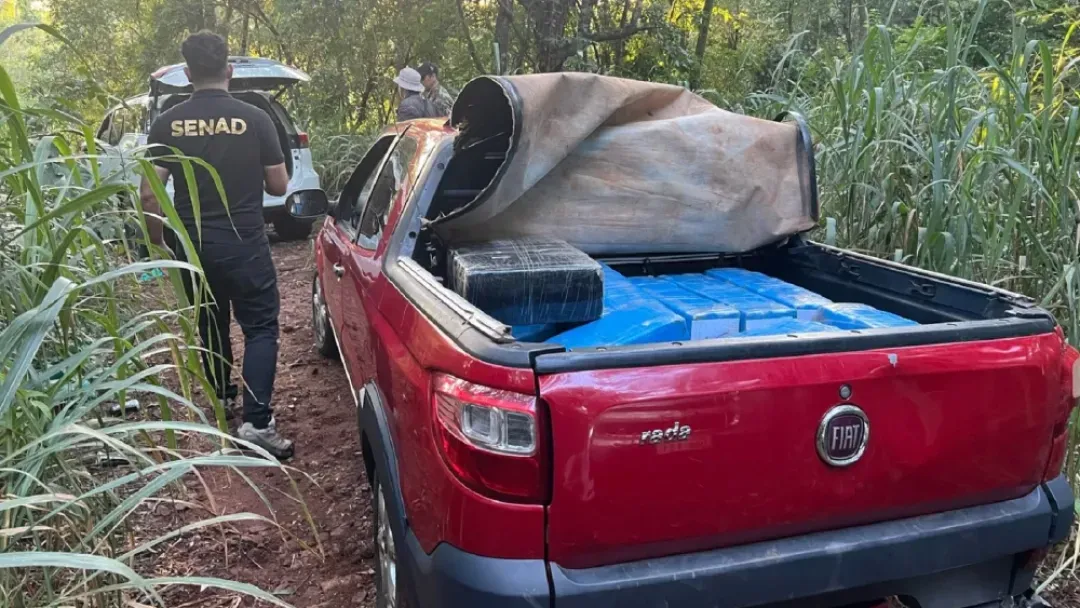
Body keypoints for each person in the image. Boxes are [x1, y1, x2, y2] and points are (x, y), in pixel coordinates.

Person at [139, 30, 294, 459]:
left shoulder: (167, 122)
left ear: (189, 73)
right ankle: (258, 423)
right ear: (229, 70)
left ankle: (223, 399)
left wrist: (159, 247)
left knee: (210, 320)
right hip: (245, 241)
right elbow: (279, 186)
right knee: (260, 327)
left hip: (193, 243)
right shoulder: (256, 118)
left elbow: (150, 194)